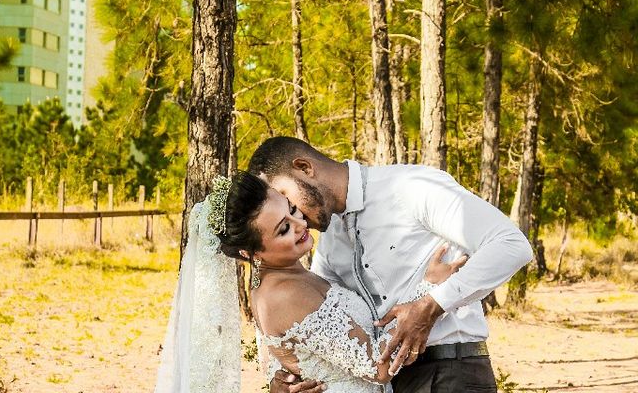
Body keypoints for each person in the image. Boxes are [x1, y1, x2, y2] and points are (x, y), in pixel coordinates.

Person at [247, 137, 534, 393]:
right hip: (388, 381)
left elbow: (510, 244)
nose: (294, 215)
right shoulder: (330, 239)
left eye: (287, 199)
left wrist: (433, 304)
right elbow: (319, 324)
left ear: (304, 168)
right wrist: (286, 378)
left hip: (450, 372)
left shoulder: (412, 187)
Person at [154, 172, 465, 393]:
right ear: (251, 253)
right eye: (283, 229)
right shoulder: (284, 295)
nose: (301, 224)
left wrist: (280, 379)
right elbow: (380, 368)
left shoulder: (280, 279)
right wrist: (428, 288)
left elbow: (279, 359)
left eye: (291, 210)